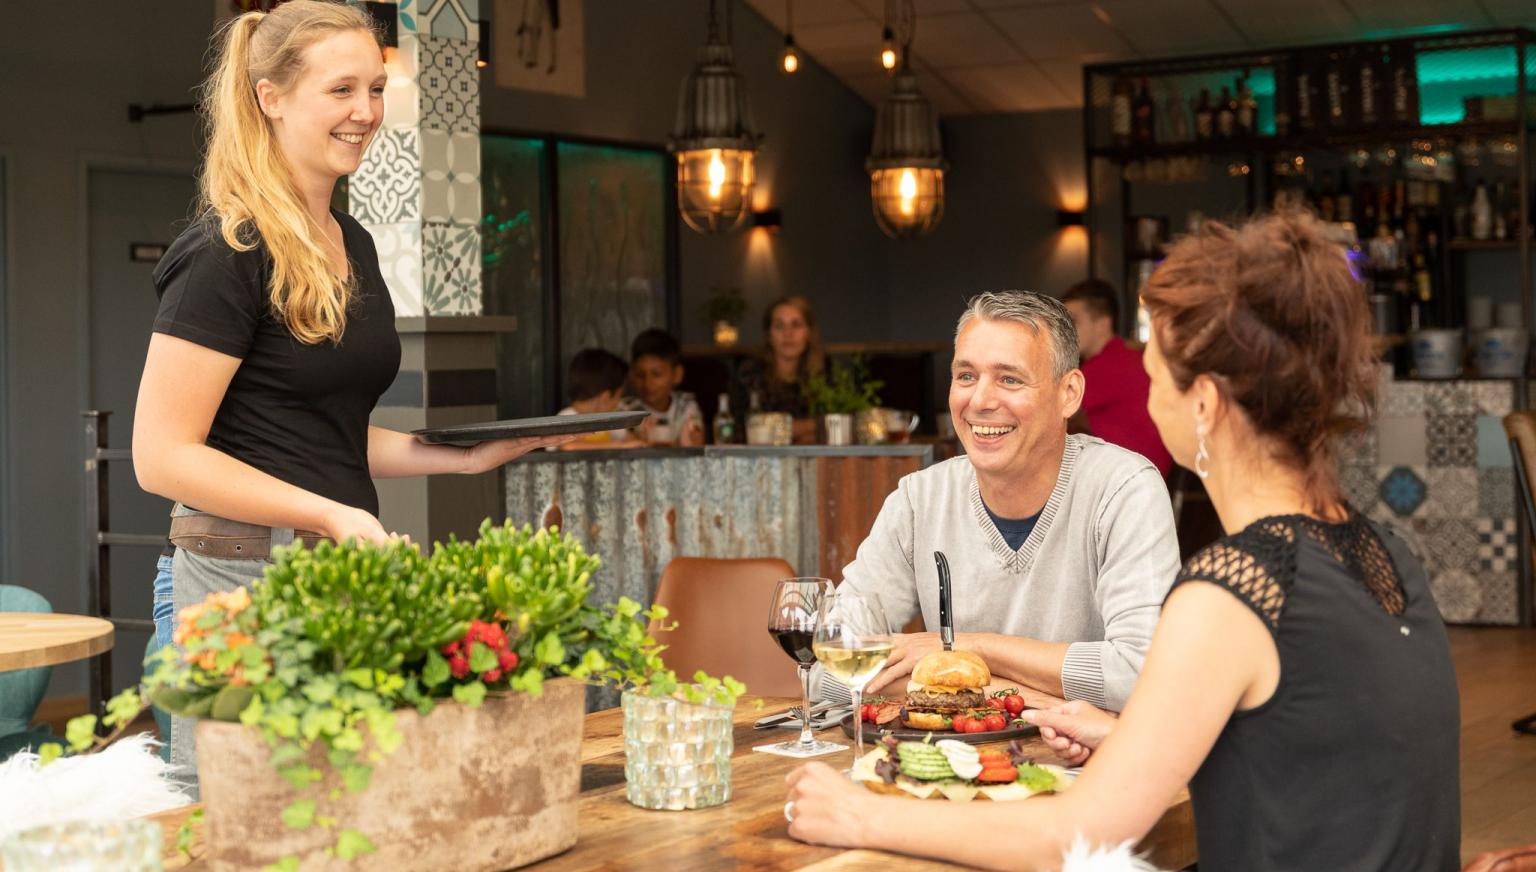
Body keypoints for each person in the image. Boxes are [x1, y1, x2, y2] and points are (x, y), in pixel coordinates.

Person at [785, 210, 1461, 872]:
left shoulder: (1231, 590)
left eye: (1154, 372)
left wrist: (859, 815)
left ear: (1205, 405)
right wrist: (1125, 735)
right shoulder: (1385, 551)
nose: (1142, 390)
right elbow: (1312, 749)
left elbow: (1075, 839)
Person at [133, 0, 570, 781]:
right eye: (341, 91)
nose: (366, 112)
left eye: (375, 89)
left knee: (345, 832)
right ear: (271, 96)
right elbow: (160, 457)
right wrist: (336, 515)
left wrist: (460, 460)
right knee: (243, 841)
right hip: (236, 586)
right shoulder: (225, 251)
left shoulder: (349, 239)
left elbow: (312, 430)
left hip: (332, 581)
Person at [822, 290, 1181, 713]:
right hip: (941, 769)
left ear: (1069, 392)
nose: (980, 401)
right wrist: (1014, 696)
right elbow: (829, 668)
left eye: (1010, 379)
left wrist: (964, 649)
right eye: (966, 376)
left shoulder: (1124, 490)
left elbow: (1143, 674)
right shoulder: (920, 500)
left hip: (1087, 771)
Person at [1062, 278, 1173, 477]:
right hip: (1147, 474)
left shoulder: (1106, 365)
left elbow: (1051, 411)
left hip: (1129, 481)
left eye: (1074, 322)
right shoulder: (1126, 355)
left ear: (1103, 325)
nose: (1065, 332)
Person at [736, 295, 824, 444]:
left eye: (796, 325)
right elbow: (745, 432)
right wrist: (810, 427)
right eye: (779, 326)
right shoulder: (749, 374)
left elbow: (838, 429)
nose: (788, 334)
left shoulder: (826, 374)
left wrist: (781, 432)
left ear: (808, 332)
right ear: (769, 335)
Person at [623, 328, 704, 446]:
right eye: (640, 375)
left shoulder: (686, 408)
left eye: (657, 374)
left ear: (677, 374)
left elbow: (697, 449)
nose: (647, 383)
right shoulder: (625, 412)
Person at [556, 348, 644, 449]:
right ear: (605, 398)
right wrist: (620, 445)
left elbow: (631, 441)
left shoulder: (609, 421)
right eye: (619, 396)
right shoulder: (565, 418)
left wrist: (640, 434)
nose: (619, 402)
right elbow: (569, 446)